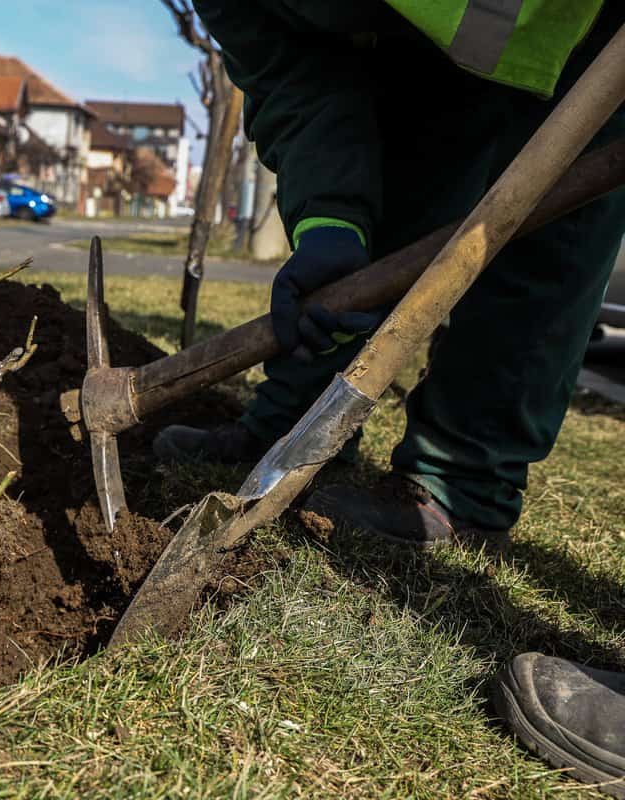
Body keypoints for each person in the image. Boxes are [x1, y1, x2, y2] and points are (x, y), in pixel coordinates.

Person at [156, 2, 625, 795]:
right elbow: (291, 75)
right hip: (421, 36)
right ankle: (289, 429)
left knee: (549, 238)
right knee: (365, 231)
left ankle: (456, 486)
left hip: (585, 25)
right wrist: (329, 217)